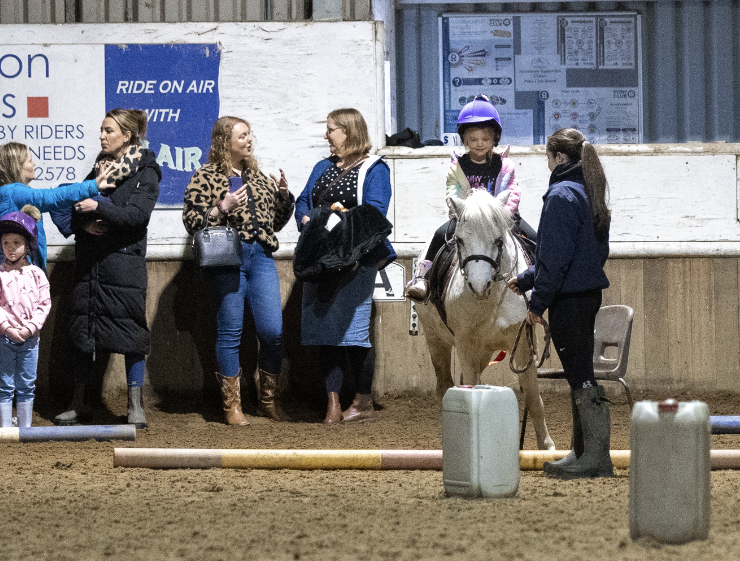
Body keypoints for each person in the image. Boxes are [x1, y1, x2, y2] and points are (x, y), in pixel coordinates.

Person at [182, 115, 292, 425]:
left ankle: (268, 400)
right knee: (230, 332)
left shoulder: (257, 176)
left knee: (272, 332)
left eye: (249, 135)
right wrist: (221, 208)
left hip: (260, 258)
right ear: (224, 142)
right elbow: (192, 222)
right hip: (226, 258)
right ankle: (232, 406)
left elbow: (276, 223)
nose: (248, 140)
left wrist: (283, 198)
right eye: (242, 135)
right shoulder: (205, 176)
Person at [293, 107, 394, 424]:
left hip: (356, 259)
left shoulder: (375, 169)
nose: (327, 135)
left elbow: (374, 213)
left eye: (331, 129)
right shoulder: (323, 166)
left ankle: (363, 402)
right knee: (326, 332)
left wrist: (333, 221)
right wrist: (308, 219)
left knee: (353, 333)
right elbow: (302, 202)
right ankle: (333, 405)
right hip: (320, 260)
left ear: (349, 132)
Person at [522, 126, 613, 478]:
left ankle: (596, 457)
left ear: (559, 157)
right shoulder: (589, 191)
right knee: (580, 376)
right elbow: (582, 254)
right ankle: (582, 451)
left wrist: (537, 302)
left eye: (547, 156)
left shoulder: (560, 194)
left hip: (568, 301)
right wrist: (527, 279)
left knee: (581, 377)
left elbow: (555, 258)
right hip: (586, 295)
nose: (547, 163)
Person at [65, 108, 162, 428]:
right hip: (90, 264)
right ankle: (80, 403)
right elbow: (72, 210)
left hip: (123, 266)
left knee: (131, 332)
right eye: (102, 130)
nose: (102, 136)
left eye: (108, 130)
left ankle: (135, 405)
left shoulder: (146, 171)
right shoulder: (98, 168)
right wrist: (85, 223)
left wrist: (99, 207)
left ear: (128, 135)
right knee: (84, 332)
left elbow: (137, 216)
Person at [406, 99, 529, 302]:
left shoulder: (505, 165)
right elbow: (452, 193)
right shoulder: (457, 166)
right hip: (467, 219)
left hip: (500, 218)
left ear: (494, 139)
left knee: (533, 238)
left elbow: (512, 192)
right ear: (464, 140)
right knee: (438, 235)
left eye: (485, 139)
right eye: (473, 139)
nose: (479, 144)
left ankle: (537, 283)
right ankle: (423, 278)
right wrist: (462, 211)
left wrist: (502, 214)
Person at [0, 141, 96, 276]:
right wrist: (95, 185)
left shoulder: (14, 192)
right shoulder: (12, 192)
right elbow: (53, 197)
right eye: (30, 160)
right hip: (20, 276)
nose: (33, 164)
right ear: (17, 166)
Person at [0, 211, 51, 431]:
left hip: (30, 339)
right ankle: (5, 428)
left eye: (16, 242)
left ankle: (26, 428)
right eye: (6, 243)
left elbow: (44, 305)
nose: (10, 247)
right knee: (4, 383)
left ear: (27, 244)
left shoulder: (37, 274)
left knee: (26, 383)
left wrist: (30, 328)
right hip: (4, 338)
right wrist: (9, 329)